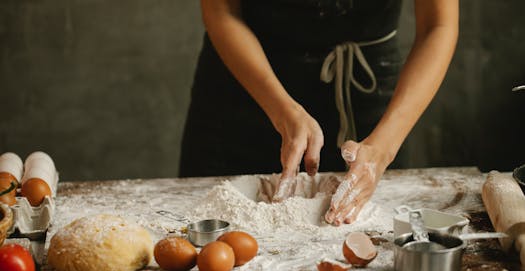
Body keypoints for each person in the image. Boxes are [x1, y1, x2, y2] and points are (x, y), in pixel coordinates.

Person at [180, 0, 458, 226]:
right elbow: (221, 11)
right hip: (244, 89)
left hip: (369, 97)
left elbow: (439, 24)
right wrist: (281, 109)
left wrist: (382, 148)